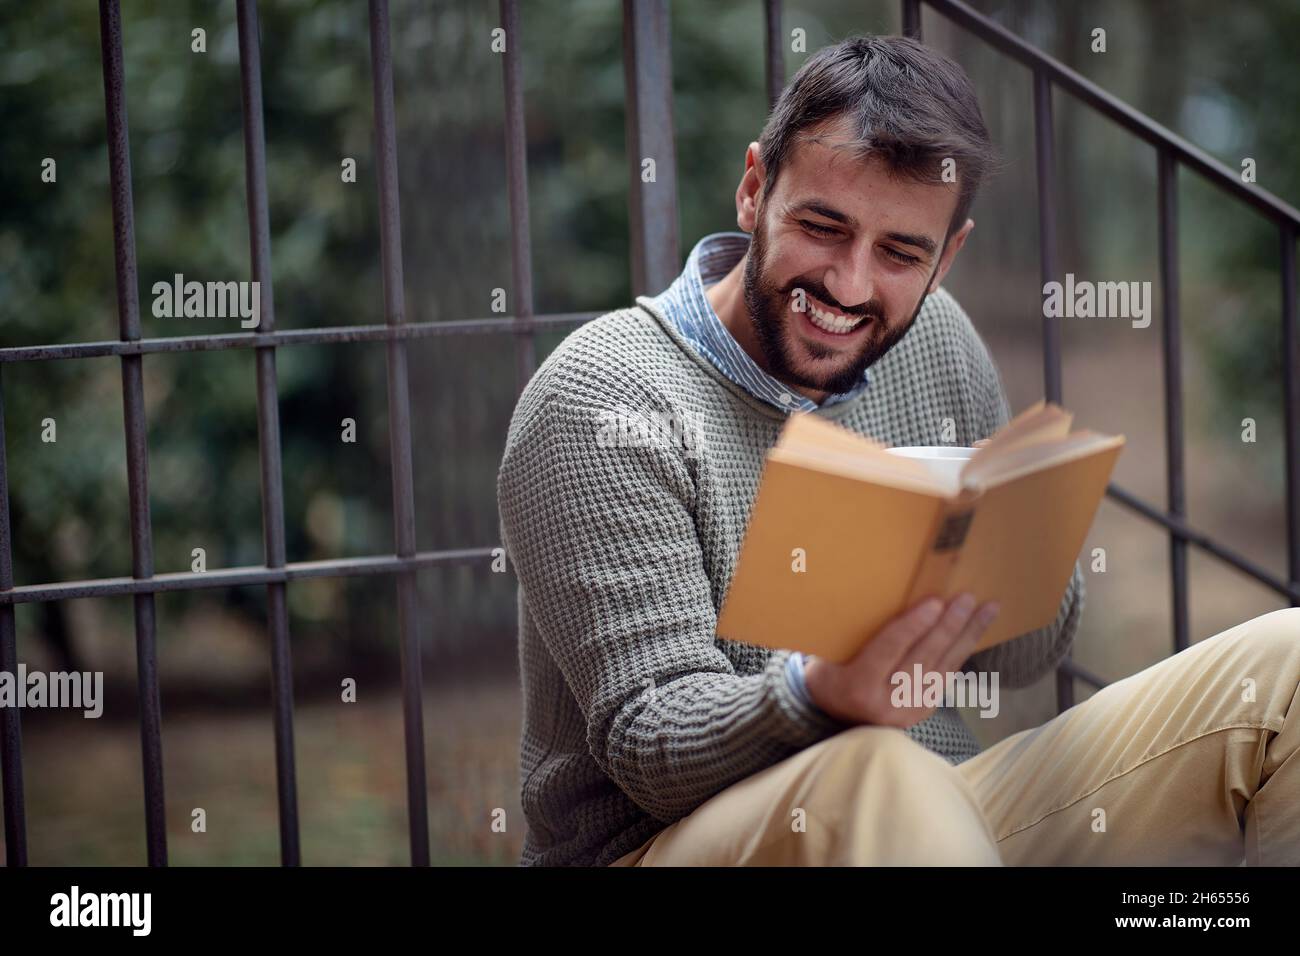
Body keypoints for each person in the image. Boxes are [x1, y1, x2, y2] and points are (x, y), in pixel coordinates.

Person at [495, 34, 1300, 866]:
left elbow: (1028, 655)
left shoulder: (935, 342)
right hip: (666, 842)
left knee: (1289, 665)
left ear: (946, 257)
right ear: (752, 189)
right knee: (874, 765)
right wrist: (816, 696)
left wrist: (1013, 539)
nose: (848, 285)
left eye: (899, 253)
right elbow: (651, 747)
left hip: (932, 813)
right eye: (821, 226)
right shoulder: (604, 396)